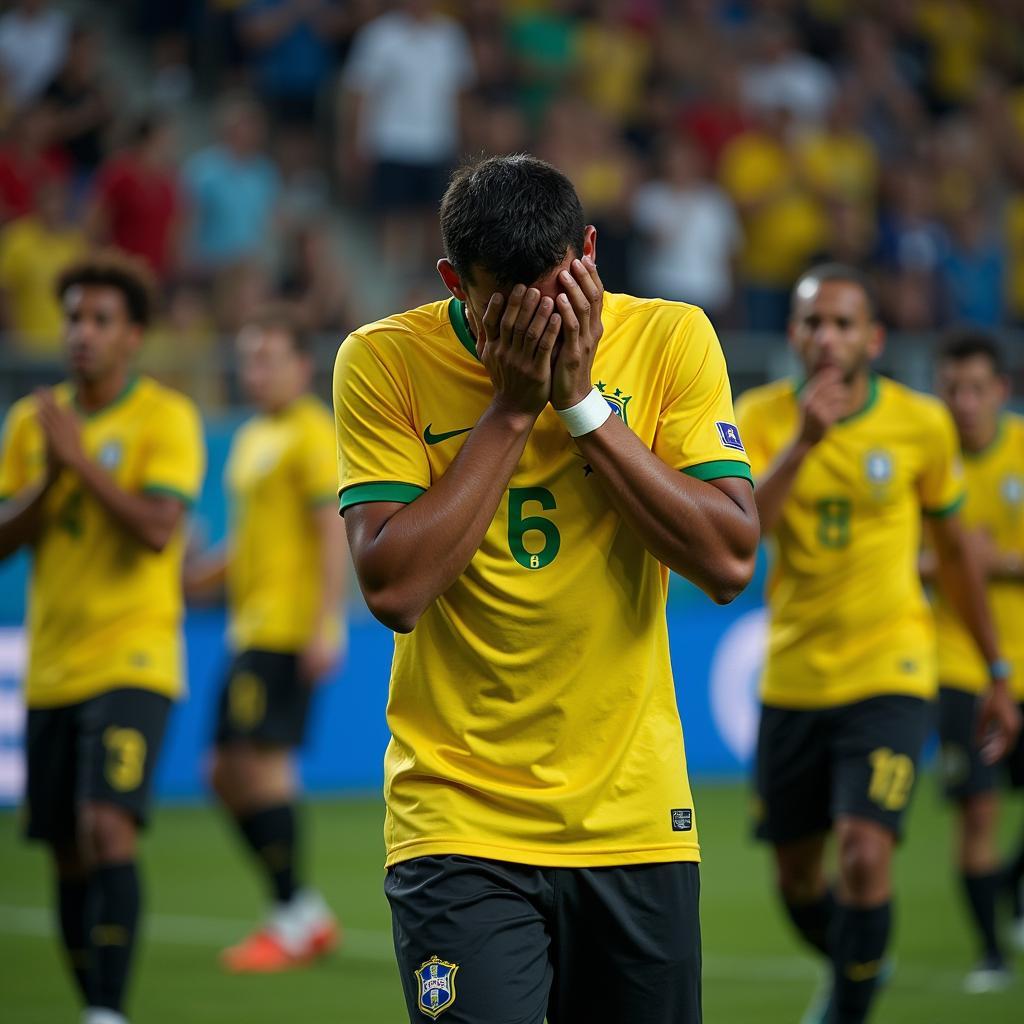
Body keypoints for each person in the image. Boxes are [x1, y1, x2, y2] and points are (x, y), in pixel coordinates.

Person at [333, 153, 760, 1024]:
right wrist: (515, 408)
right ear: (456, 281)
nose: (541, 315)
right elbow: (394, 590)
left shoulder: (672, 338)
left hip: (635, 817)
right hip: (459, 818)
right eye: (507, 300)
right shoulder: (383, 361)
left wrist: (583, 407)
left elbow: (727, 562)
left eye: (561, 284)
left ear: (591, 252)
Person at [734, 263, 1021, 1024]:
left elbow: (958, 557)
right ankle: (861, 959)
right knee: (797, 879)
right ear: (792, 335)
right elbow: (739, 537)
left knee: (864, 854)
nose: (826, 337)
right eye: (812, 323)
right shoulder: (757, 416)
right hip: (793, 675)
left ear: (874, 338)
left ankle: (848, 1010)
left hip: (891, 670)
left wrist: (996, 668)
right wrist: (803, 444)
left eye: (842, 323)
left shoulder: (921, 424)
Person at [0, 251, 205, 1024]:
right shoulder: (31, 424)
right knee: (65, 849)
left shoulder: (166, 417)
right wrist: (49, 477)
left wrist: (79, 465)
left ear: (134, 337)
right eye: (73, 318)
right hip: (52, 667)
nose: (81, 333)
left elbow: (158, 531)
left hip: (135, 656)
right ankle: (93, 1004)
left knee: (106, 823)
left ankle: (108, 1012)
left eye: (100, 320)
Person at [186, 306, 345, 972]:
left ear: (302, 367)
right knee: (222, 770)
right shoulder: (254, 437)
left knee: (260, 765)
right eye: (249, 358)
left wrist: (327, 621)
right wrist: (203, 576)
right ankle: (300, 911)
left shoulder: (311, 433)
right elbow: (254, 537)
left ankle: (291, 918)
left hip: (285, 626)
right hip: (247, 624)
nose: (256, 371)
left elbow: (330, 529)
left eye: (269, 358)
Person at [929, 330, 1024, 990]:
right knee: (979, 812)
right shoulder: (925, 453)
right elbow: (896, 555)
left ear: (1001, 391)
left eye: (975, 389)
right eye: (952, 389)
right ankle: (991, 951)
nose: (963, 403)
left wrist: (998, 563)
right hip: (956, 662)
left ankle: (1011, 891)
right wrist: (957, 562)